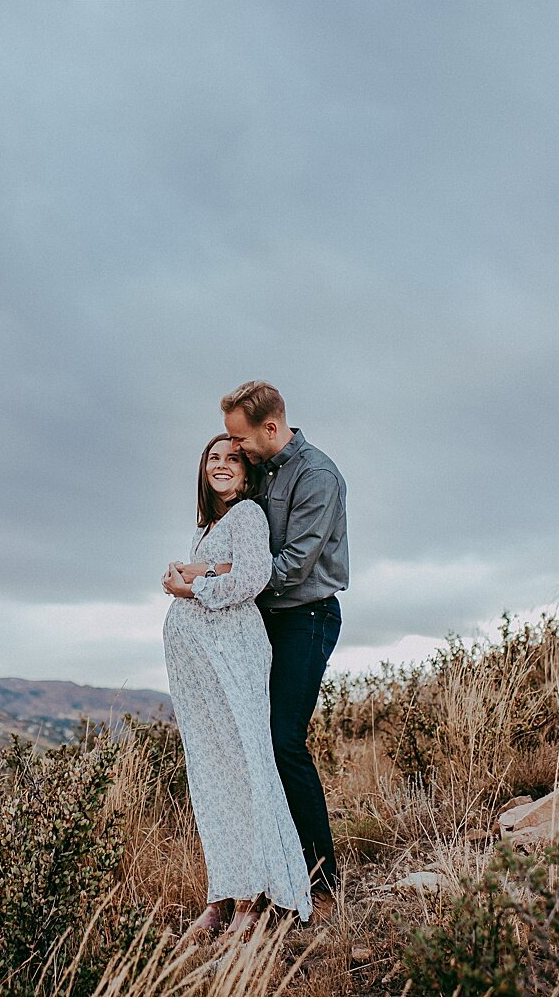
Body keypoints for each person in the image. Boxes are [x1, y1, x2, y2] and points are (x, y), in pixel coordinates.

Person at [177, 381, 348, 920]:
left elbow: (291, 564)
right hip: (261, 624)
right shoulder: (264, 467)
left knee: (282, 741)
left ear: (269, 429)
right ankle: (270, 876)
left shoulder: (316, 476)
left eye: (239, 440)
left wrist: (207, 574)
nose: (234, 449)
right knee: (252, 746)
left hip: (305, 619)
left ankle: (321, 882)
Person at [161, 433, 314, 936]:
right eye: (213, 457)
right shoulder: (209, 525)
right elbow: (225, 571)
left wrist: (193, 584)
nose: (222, 465)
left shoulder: (248, 515)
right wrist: (195, 572)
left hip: (234, 659)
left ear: (248, 473)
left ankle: (250, 899)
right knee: (212, 777)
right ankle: (222, 891)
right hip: (202, 669)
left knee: (244, 769)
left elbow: (252, 576)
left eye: (233, 458)